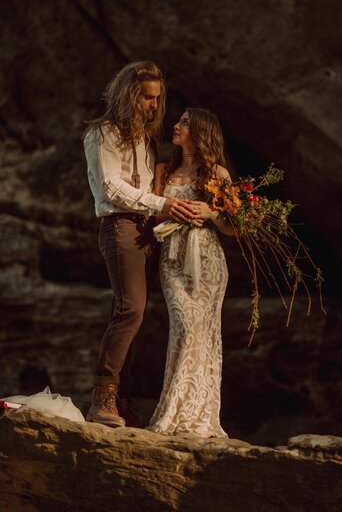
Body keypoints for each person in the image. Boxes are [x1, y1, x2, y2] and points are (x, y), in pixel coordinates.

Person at [82, 61, 195, 428]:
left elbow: (148, 189)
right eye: (147, 97)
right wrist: (163, 204)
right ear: (130, 95)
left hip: (146, 231)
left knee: (138, 315)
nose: (153, 105)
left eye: (156, 98)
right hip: (119, 227)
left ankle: (122, 400)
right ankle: (102, 398)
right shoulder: (101, 134)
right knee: (130, 309)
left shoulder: (146, 140)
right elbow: (111, 188)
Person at [147, 108, 234, 437]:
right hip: (172, 259)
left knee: (202, 334)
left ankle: (198, 415)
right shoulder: (162, 170)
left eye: (185, 122)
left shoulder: (217, 174)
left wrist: (210, 212)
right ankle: (174, 412)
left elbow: (234, 227)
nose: (177, 125)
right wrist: (175, 212)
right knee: (184, 328)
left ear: (200, 132)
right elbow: (154, 216)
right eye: (179, 120)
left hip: (208, 263)